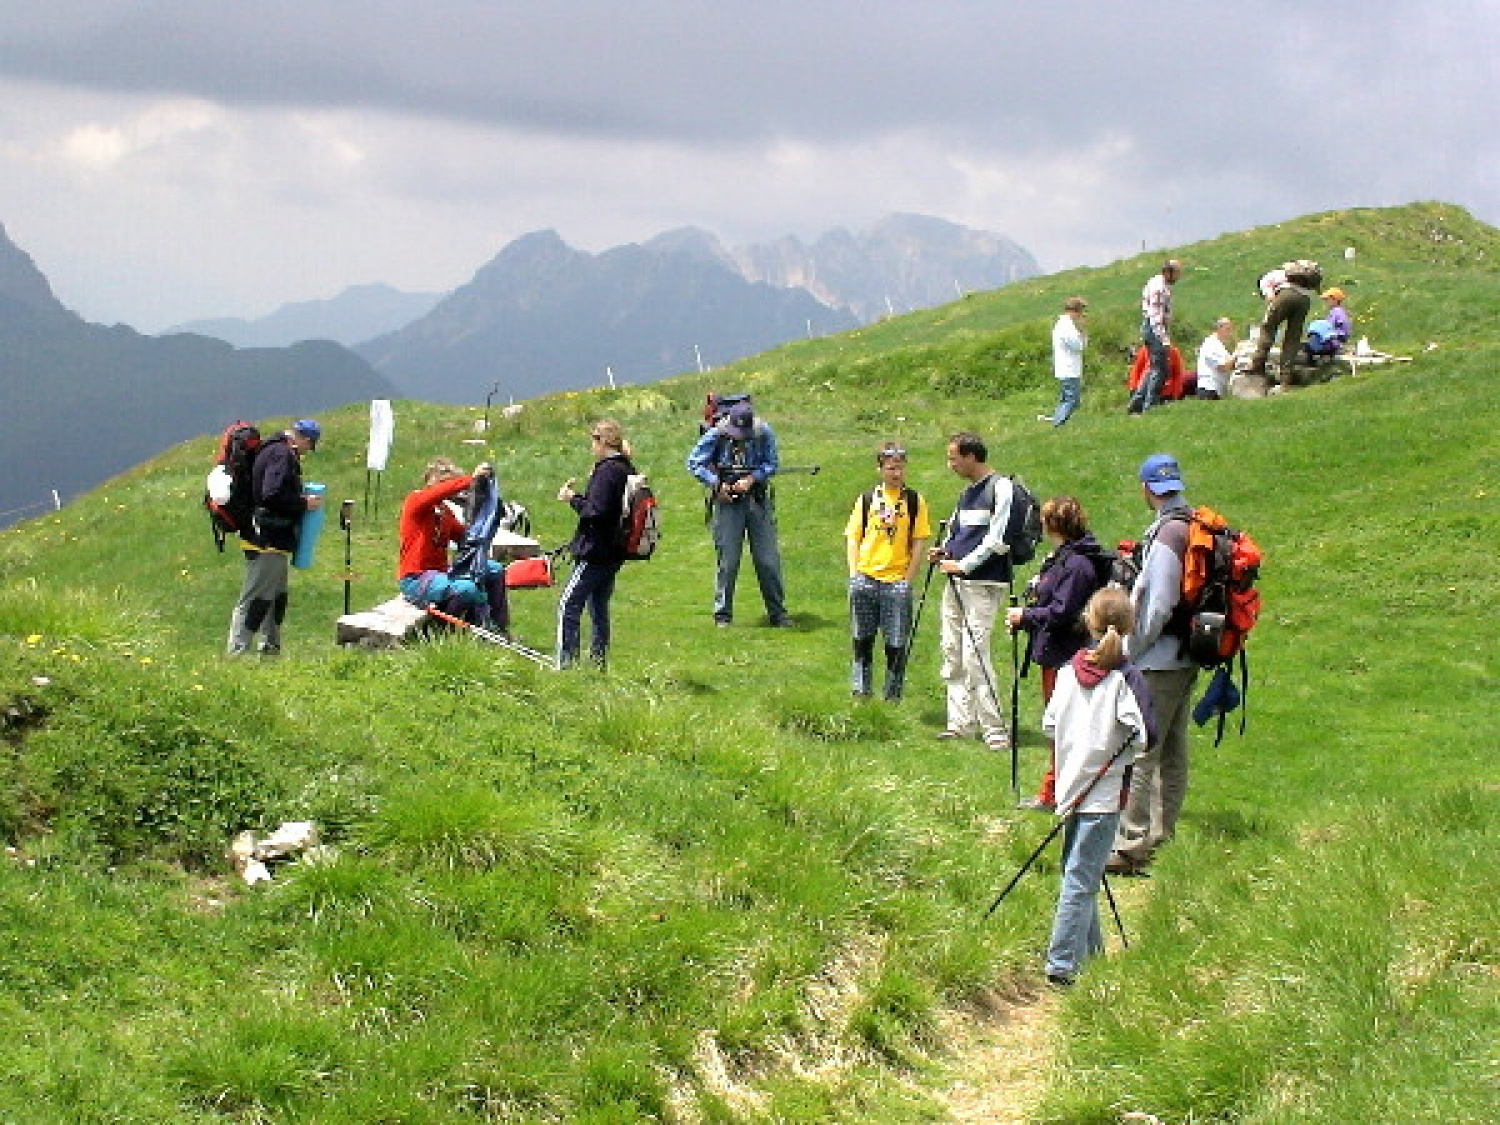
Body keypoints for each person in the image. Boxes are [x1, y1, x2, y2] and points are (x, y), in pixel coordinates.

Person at [1041, 586, 1155, 987]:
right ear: (1129, 627)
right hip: (1103, 797)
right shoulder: (1126, 678)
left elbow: (1050, 725)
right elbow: (1145, 737)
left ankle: (1093, 958)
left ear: (1088, 622)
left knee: (1078, 874)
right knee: (1080, 879)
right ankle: (1061, 965)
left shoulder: (1068, 672)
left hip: (1070, 790)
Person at [1107, 454, 1201, 876]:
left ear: (1146, 488)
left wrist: (1130, 649)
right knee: (1173, 749)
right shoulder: (1192, 525)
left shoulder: (1166, 535)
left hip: (1159, 659)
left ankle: (1130, 845)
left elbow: (1159, 604)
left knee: (1142, 750)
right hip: (1187, 654)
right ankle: (1162, 836)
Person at [1006, 497, 1112, 810]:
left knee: (1063, 725)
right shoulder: (1065, 557)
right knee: (1061, 723)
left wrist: (1025, 616)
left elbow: (1062, 611)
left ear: (1054, 524)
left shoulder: (1077, 565)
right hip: (1058, 653)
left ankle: (1055, 794)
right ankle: (1060, 790)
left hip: (1067, 656)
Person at [930, 432, 1016, 749]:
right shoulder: (967, 493)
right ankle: (959, 724)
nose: (950, 465)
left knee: (975, 655)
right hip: (956, 582)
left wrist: (963, 565)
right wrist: (944, 552)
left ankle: (995, 730)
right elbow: (958, 532)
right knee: (951, 649)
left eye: (954, 458)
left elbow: (998, 539)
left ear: (971, 456)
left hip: (983, 583)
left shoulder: (1001, 488)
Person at [686, 399, 791, 628]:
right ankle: (722, 615)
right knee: (728, 561)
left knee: (768, 560)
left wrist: (752, 478)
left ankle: (778, 613)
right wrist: (717, 484)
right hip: (727, 505)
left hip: (757, 501)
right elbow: (694, 463)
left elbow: (772, 463)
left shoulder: (764, 432)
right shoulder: (716, 434)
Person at [227, 419, 323, 656]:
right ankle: (237, 652)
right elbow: (271, 494)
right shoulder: (281, 454)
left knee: (276, 596)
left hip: (274, 539)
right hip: (266, 539)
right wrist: (303, 503)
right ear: (304, 439)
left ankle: (270, 648)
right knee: (256, 597)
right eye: (309, 445)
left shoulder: (274, 450)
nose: (307, 451)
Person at [845, 442, 932, 701]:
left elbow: (919, 542)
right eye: (891, 468)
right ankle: (861, 690)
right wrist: (855, 575)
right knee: (862, 638)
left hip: (896, 582)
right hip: (866, 577)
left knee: (896, 642)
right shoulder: (867, 499)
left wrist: (908, 579)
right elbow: (853, 538)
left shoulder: (914, 501)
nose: (896, 473)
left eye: (900, 468)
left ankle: (892, 695)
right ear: (880, 469)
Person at [396, 458, 509, 631]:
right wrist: (472, 479)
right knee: (467, 588)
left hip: (441, 574)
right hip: (416, 579)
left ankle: (499, 627)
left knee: (495, 570)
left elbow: (464, 538)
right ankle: (445, 630)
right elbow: (439, 492)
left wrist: (486, 519)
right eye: (449, 483)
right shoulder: (415, 500)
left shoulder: (444, 512)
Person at [556, 419, 634, 668]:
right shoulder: (626, 468)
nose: (591, 446)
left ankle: (566, 664)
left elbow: (595, 511)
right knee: (598, 607)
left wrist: (572, 498)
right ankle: (598, 662)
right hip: (614, 551)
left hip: (595, 550)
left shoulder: (607, 471)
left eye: (593, 440)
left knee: (568, 604)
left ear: (602, 441)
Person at [1127, 259, 1182, 414]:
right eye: (1177, 273)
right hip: (1154, 329)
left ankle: (1136, 404)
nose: (1179, 276)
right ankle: (1149, 406)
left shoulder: (1158, 283)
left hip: (1151, 329)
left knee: (1153, 368)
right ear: (1168, 272)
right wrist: (1164, 339)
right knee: (1161, 370)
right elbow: (1155, 316)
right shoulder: (1159, 288)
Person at [1249, 261, 1313, 388]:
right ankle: (1285, 378)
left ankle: (1257, 365)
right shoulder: (1285, 274)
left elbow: (1271, 298)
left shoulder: (1264, 281)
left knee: (1268, 328)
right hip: (1305, 299)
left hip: (1287, 294)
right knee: (1292, 338)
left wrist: (1270, 313)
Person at [1042, 296, 1088, 426]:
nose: (1082, 315)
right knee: (1072, 400)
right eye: (1081, 311)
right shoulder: (1066, 327)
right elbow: (1079, 346)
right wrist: (1083, 332)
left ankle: (1057, 420)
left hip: (1065, 368)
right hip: (1069, 369)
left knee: (1066, 399)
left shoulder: (1063, 325)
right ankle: (1058, 423)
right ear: (1075, 311)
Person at [1195, 317, 1236, 400]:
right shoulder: (1210, 344)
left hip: (1217, 390)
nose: (1230, 333)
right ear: (1219, 328)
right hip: (1209, 389)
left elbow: (1230, 365)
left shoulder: (1220, 346)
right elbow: (1222, 367)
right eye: (1228, 329)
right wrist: (1237, 355)